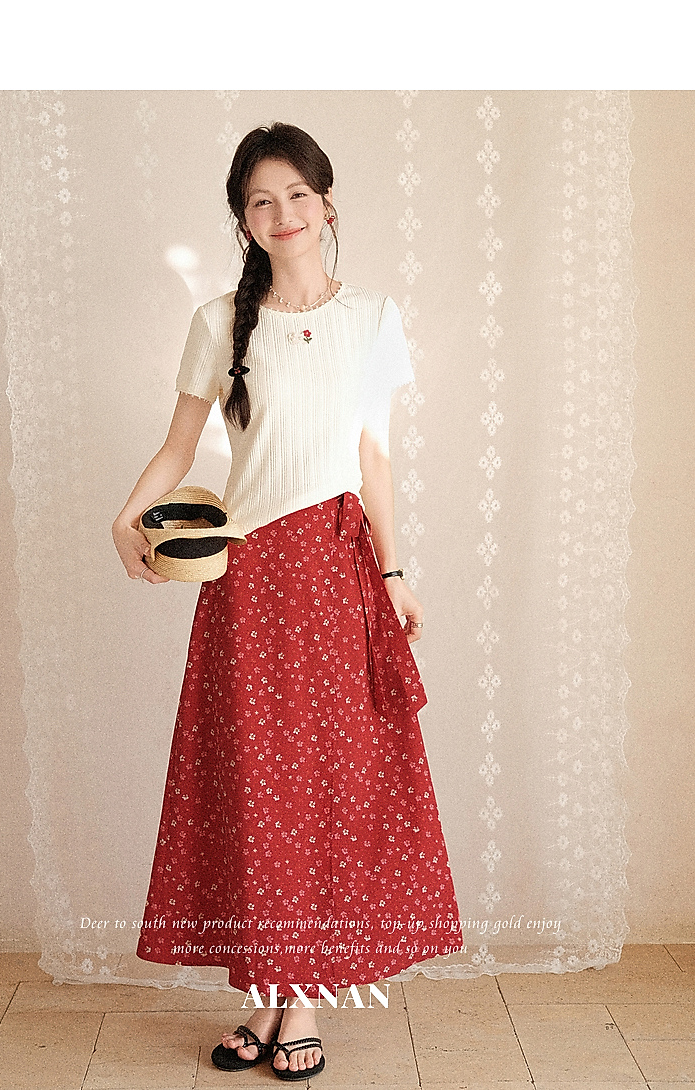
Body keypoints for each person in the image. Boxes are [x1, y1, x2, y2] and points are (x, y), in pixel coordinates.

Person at [112, 122, 463, 1081]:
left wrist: (394, 574)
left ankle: (298, 999)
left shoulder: (373, 318)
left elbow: (373, 456)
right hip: (248, 581)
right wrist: (127, 517)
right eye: (261, 201)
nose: (283, 214)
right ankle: (268, 994)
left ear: (326, 203)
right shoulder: (218, 322)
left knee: (325, 789)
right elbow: (180, 447)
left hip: (337, 577)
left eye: (298, 195)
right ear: (242, 218)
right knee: (256, 789)